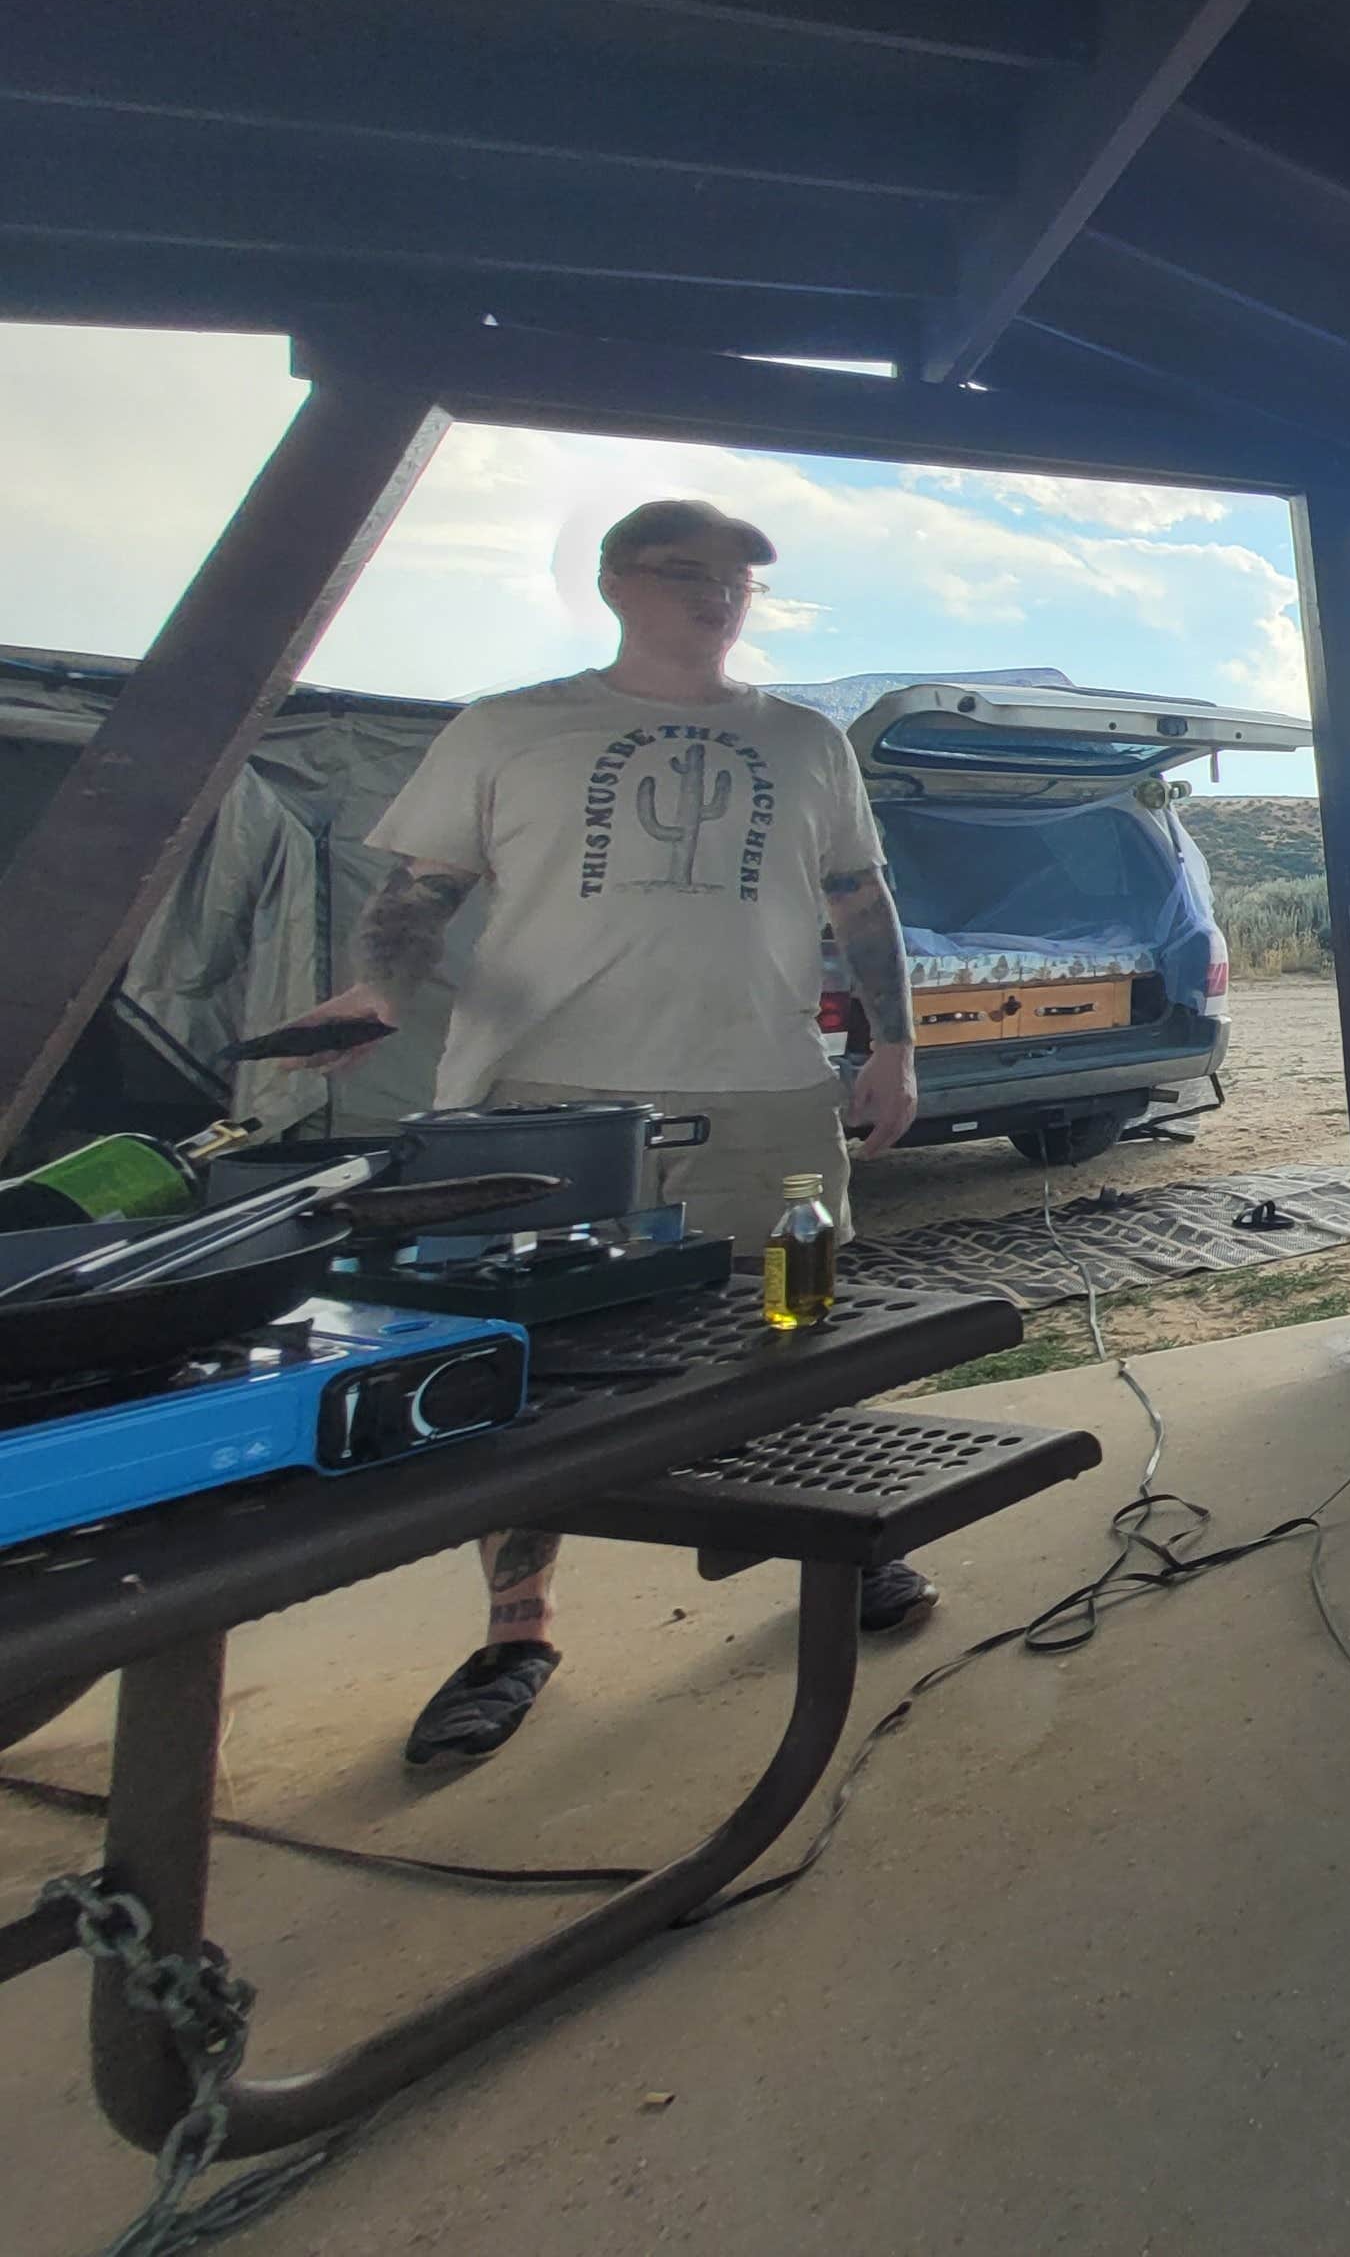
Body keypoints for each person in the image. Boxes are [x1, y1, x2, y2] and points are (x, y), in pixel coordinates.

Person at [296, 498, 928, 1766]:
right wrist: (378, 992)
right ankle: (518, 1629)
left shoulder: (806, 741)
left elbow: (859, 897)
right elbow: (417, 892)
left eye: (738, 582)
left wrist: (895, 1042)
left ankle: (826, 1537)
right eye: (686, 574)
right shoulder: (512, 726)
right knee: (530, 1359)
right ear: (612, 584)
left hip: (762, 1085)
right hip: (543, 1095)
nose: (717, 598)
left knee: (791, 1324)